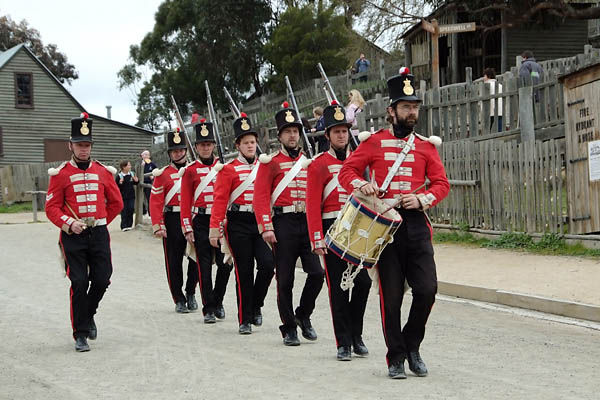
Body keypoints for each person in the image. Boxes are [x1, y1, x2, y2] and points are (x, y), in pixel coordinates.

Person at [338, 68, 450, 379]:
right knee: (391, 297)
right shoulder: (373, 142)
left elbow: (441, 183)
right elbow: (346, 172)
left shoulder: (427, 146)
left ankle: (412, 346)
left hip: (415, 224)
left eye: (414, 106)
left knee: (427, 290)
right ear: (392, 110)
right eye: (405, 107)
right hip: (384, 229)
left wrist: (424, 199)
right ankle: (396, 357)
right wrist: (363, 185)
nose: (412, 112)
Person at [45, 112, 123, 352]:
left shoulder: (102, 172)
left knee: (102, 278)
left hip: (98, 234)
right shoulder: (61, 175)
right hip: (73, 236)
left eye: (87, 145)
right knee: (78, 282)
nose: (83, 149)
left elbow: (116, 203)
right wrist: (69, 223)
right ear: (70, 145)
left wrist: (99, 222)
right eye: (79, 144)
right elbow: (51, 208)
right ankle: (80, 333)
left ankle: (88, 315)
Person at [253, 101, 325, 346]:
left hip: (307, 221)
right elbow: (261, 196)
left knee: (317, 273)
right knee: (285, 279)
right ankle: (289, 328)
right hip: (282, 223)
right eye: (288, 131)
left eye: (295, 131)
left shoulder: (310, 161)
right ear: (279, 135)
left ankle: (303, 315)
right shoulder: (270, 162)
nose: (293, 135)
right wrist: (266, 226)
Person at [305, 100, 371, 361]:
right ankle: (343, 342)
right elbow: (311, 205)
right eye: (337, 131)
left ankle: (357, 335)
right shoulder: (319, 164)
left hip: (358, 229)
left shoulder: (359, 162)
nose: (342, 135)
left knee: (363, 283)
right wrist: (316, 238)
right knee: (338, 289)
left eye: (345, 130)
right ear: (328, 135)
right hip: (331, 230)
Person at [209, 113, 274, 335]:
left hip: (259, 221)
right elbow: (219, 200)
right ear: (237, 145)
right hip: (237, 222)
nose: (250, 146)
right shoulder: (228, 169)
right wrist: (214, 229)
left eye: (253, 142)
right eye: (245, 143)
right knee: (244, 271)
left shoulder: (265, 167)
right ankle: (244, 318)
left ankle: (256, 304)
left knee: (267, 265)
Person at [179, 119, 231, 322]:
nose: (206, 148)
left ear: (213, 146)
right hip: (200, 220)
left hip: (221, 221)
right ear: (196, 147)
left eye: (209, 144)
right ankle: (208, 308)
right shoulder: (190, 170)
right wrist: (187, 228)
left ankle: (218, 300)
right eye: (202, 145)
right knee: (205, 265)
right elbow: (185, 201)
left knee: (225, 264)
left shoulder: (224, 168)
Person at [150, 128, 199, 314]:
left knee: (195, 258)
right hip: (172, 218)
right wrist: (158, 225)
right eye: (174, 151)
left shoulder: (194, 170)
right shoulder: (162, 174)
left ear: (186, 151)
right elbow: (156, 202)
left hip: (192, 217)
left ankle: (191, 292)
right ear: (170, 153)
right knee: (174, 260)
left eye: (181, 150)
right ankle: (178, 298)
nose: (178, 153)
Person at [116, 160, 138, 231]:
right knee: (124, 211)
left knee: (131, 209)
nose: (130, 166)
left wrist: (136, 181)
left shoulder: (132, 174)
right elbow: (116, 186)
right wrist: (120, 183)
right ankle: (123, 226)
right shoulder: (119, 176)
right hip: (123, 196)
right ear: (123, 167)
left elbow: (135, 183)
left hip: (131, 195)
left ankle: (129, 225)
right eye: (128, 165)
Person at [483, 68, 503, 132]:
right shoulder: (500, 85)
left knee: (488, 126)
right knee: (499, 123)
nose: (484, 78)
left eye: (484, 76)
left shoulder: (486, 86)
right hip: (499, 108)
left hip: (490, 108)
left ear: (488, 76)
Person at [141, 150, 157, 216]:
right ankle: (143, 212)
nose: (147, 156)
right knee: (141, 199)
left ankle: (150, 213)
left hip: (149, 183)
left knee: (149, 198)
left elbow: (156, 170)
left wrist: (153, 175)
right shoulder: (140, 163)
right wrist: (142, 166)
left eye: (148, 155)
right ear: (142, 156)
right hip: (141, 183)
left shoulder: (151, 163)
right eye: (145, 155)